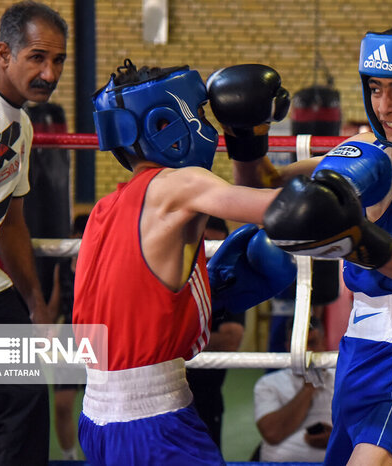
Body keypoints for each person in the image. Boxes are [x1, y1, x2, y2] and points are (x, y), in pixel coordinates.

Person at [211, 17, 392, 466]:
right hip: (357, 347)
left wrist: (351, 237)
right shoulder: (362, 147)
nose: (385, 106)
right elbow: (265, 186)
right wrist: (246, 136)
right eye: (375, 88)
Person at [72, 59, 296, 465]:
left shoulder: (103, 211)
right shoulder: (181, 183)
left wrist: (208, 297)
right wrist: (361, 159)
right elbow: (291, 210)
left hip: (96, 421)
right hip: (155, 425)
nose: (209, 126)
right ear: (167, 124)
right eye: (203, 113)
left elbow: (132, 301)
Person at [0, 2, 67, 464]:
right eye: (38, 58)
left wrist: (37, 306)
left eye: (58, 60)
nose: (50, 72)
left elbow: (11, 221)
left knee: (25, 403)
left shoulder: (21, 127)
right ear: (4, 53)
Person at [185, 216, 246, 449]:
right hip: (165, 390)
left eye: (214, 245)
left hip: (207, 391)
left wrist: (178, 341)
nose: (209, 252)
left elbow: (231, 340)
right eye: (204, 242)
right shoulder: (178, 273)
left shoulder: (229, 280)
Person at [253, 316, 334, 462]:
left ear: (324, 342)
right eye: (300, 347)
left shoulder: (341, 379)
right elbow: (272, 434)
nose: (307, 351)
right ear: (288, 347)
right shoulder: (268, 384)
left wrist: (335, 438)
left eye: (312, 343)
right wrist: (308, 387)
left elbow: (364, 427)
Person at [48, 213, 88, 461]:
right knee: (62, 406)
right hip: (67, 340)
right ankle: (69, 457)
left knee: (98, 407)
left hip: (97, 338)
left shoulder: (102, 265)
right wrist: (43, 325)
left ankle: (98, 455)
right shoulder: (62, 266)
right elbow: (54, 305)